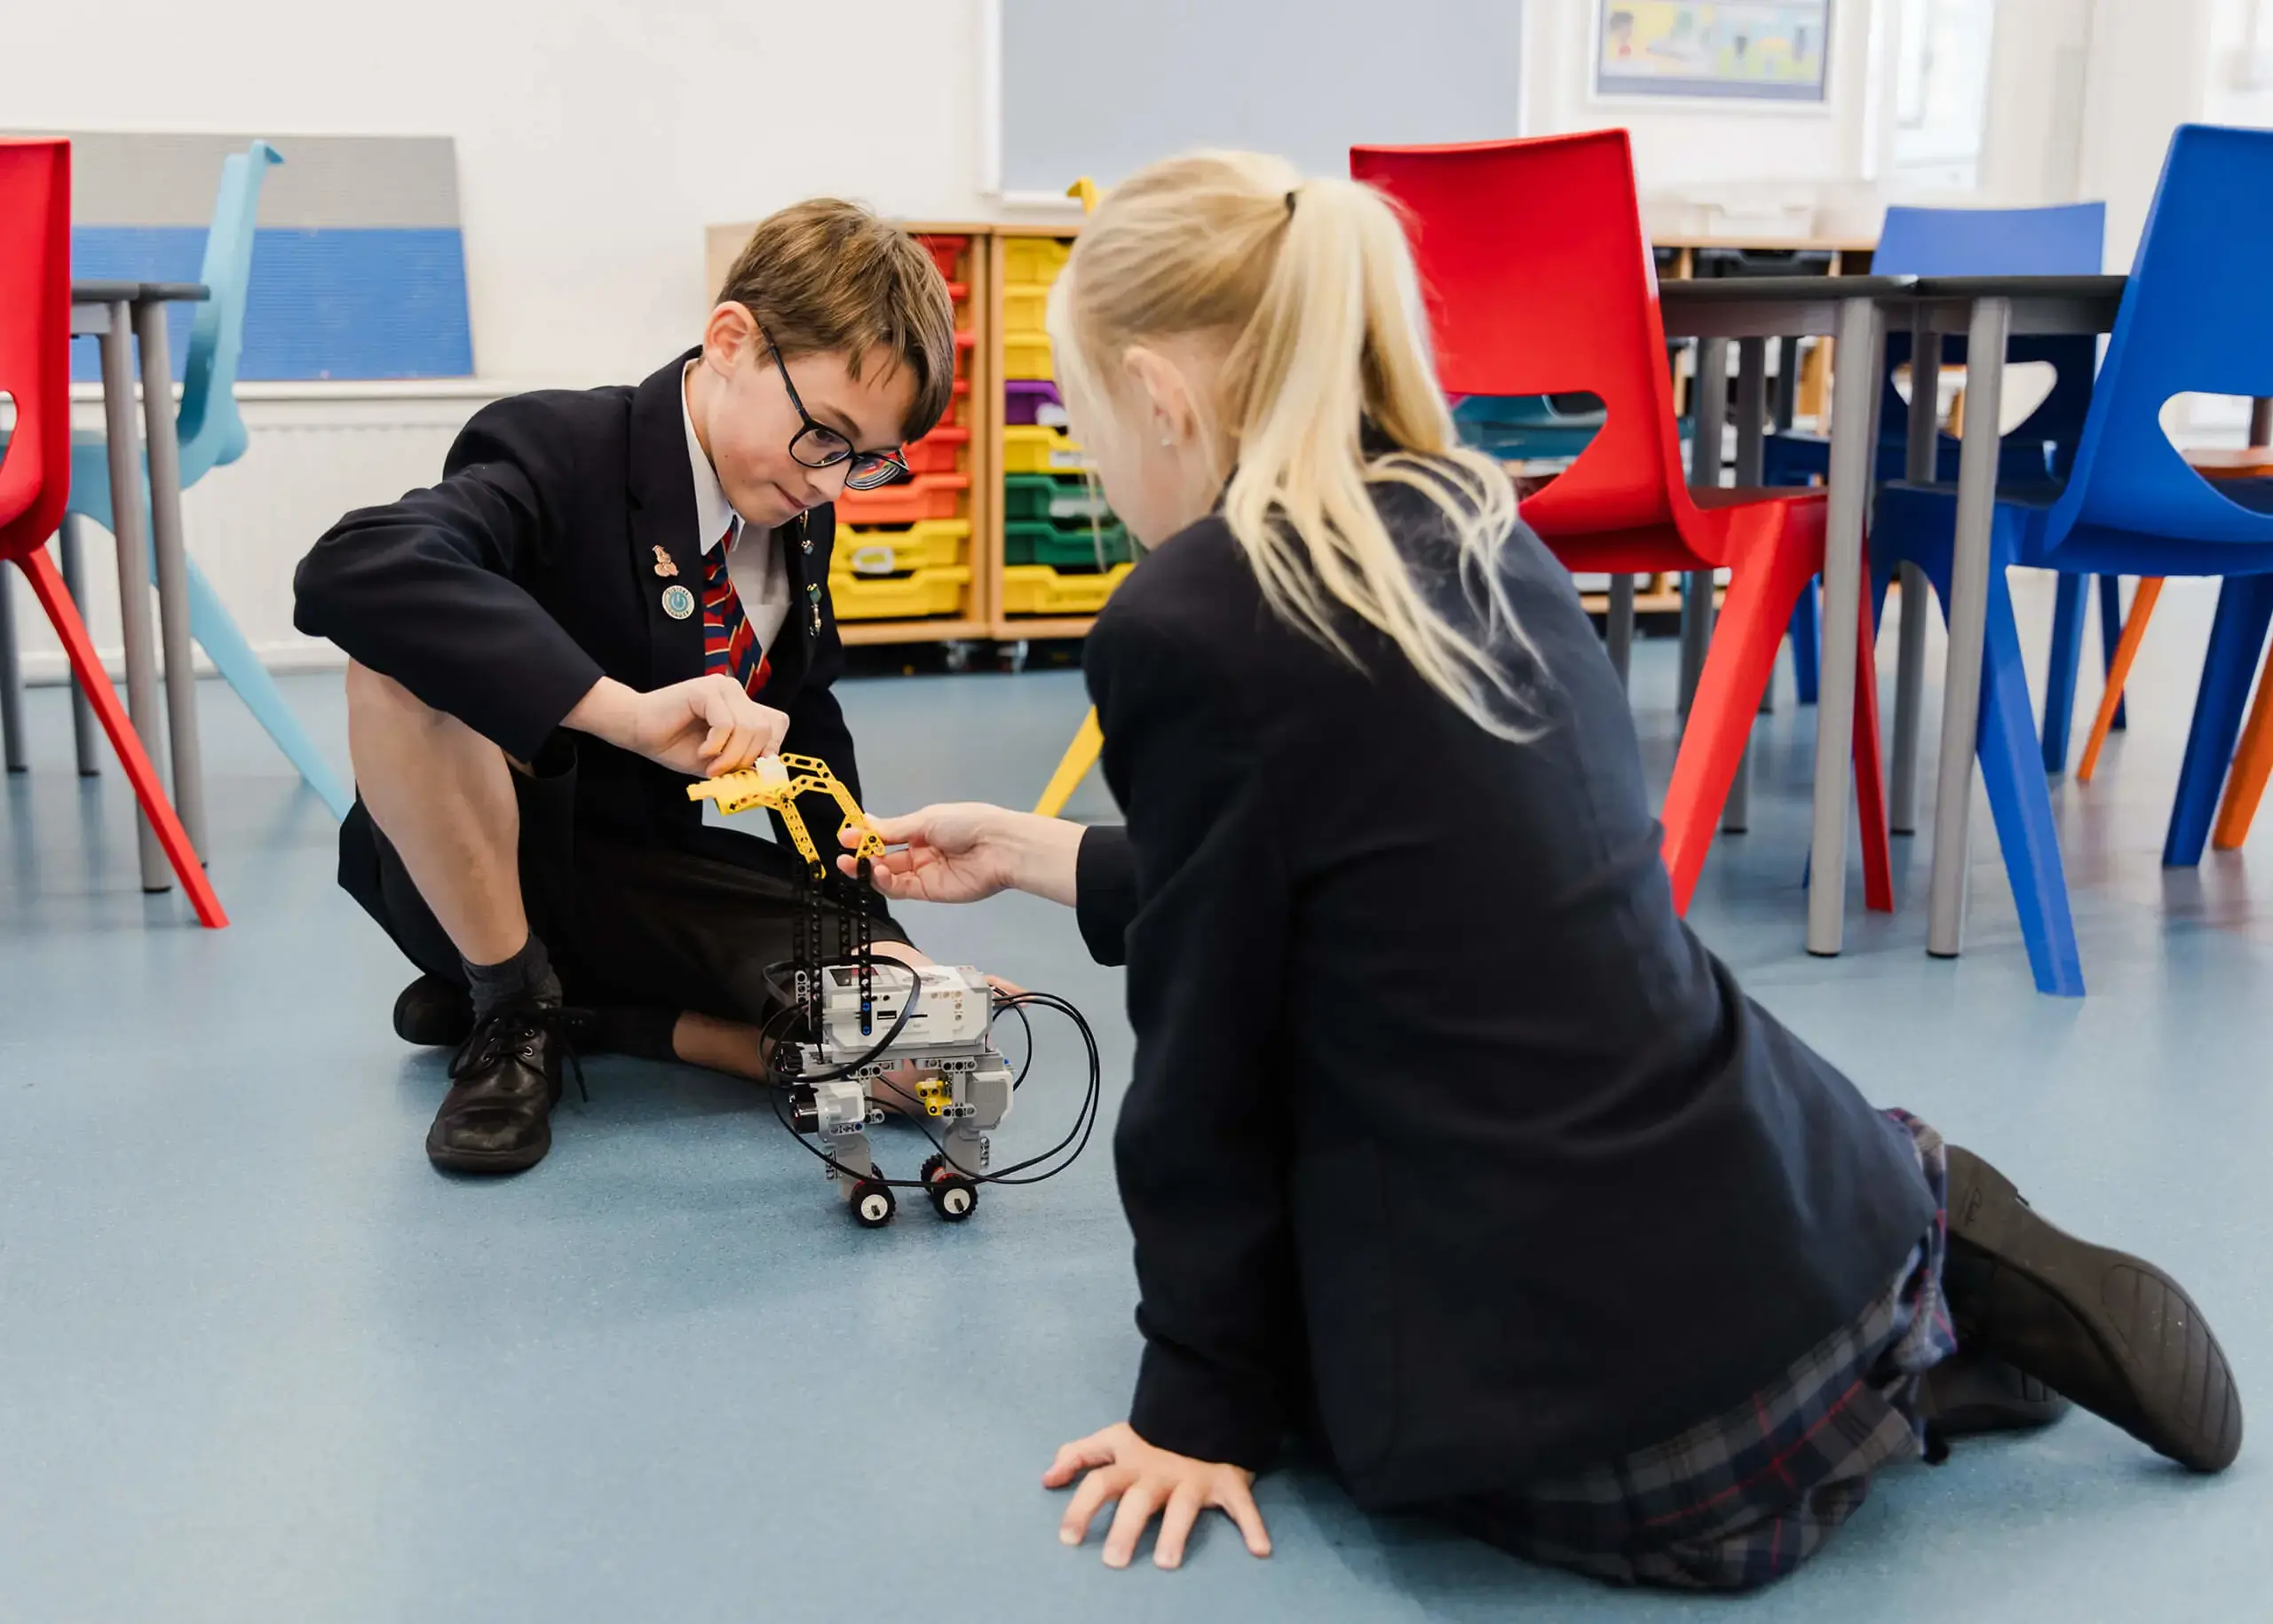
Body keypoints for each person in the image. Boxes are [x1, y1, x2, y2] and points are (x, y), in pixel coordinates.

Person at [837, 153, 2245, 1590]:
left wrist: (1198, 1401)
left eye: (1082, 421)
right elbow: (1378, 886)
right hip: (1783, 1181)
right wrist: (1034, 851)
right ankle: (1919, 1279)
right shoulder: (1481, 523)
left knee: (1369, 1406)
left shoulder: (1185, 614)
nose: (1090, 459)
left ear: (1161, 393)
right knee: (1708, 1124)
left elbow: (1207, 1056)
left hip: (1632, 1427)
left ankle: (1910, 1391)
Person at [295, 199, 960, 1176]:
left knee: (922, 1045)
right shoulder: (557, 447)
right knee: (397, 663)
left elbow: (803, 710)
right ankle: (514, 1004)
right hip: (481, 869)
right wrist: (625, 712)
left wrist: (859, 885)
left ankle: (596, 1014)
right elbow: (351, 568)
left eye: (868, 460)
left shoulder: (792, 503)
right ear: (731, 338)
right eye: (827, 436)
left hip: (638, 878)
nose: (832, 480)